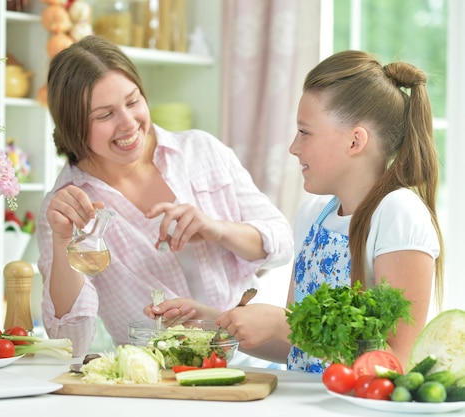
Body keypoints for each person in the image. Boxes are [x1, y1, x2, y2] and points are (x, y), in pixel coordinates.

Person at [37, 35, 294, 357]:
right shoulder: (67, 208)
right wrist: (64, 242)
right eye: (105, 115)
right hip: (155, 377)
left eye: (132, 102)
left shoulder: (201, 151)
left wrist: (219, 230)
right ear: (73, 125)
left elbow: (282, 244)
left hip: (251, 360)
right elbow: (69, 339)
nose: (129, 124)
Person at [215, 50, 444, 372]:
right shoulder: (313, 215)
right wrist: (210, 321)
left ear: (355, 141)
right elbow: (300, 350)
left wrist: (288, 326)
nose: (294, 147)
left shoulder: (399, 213)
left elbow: (396, 362)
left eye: (305, 132)